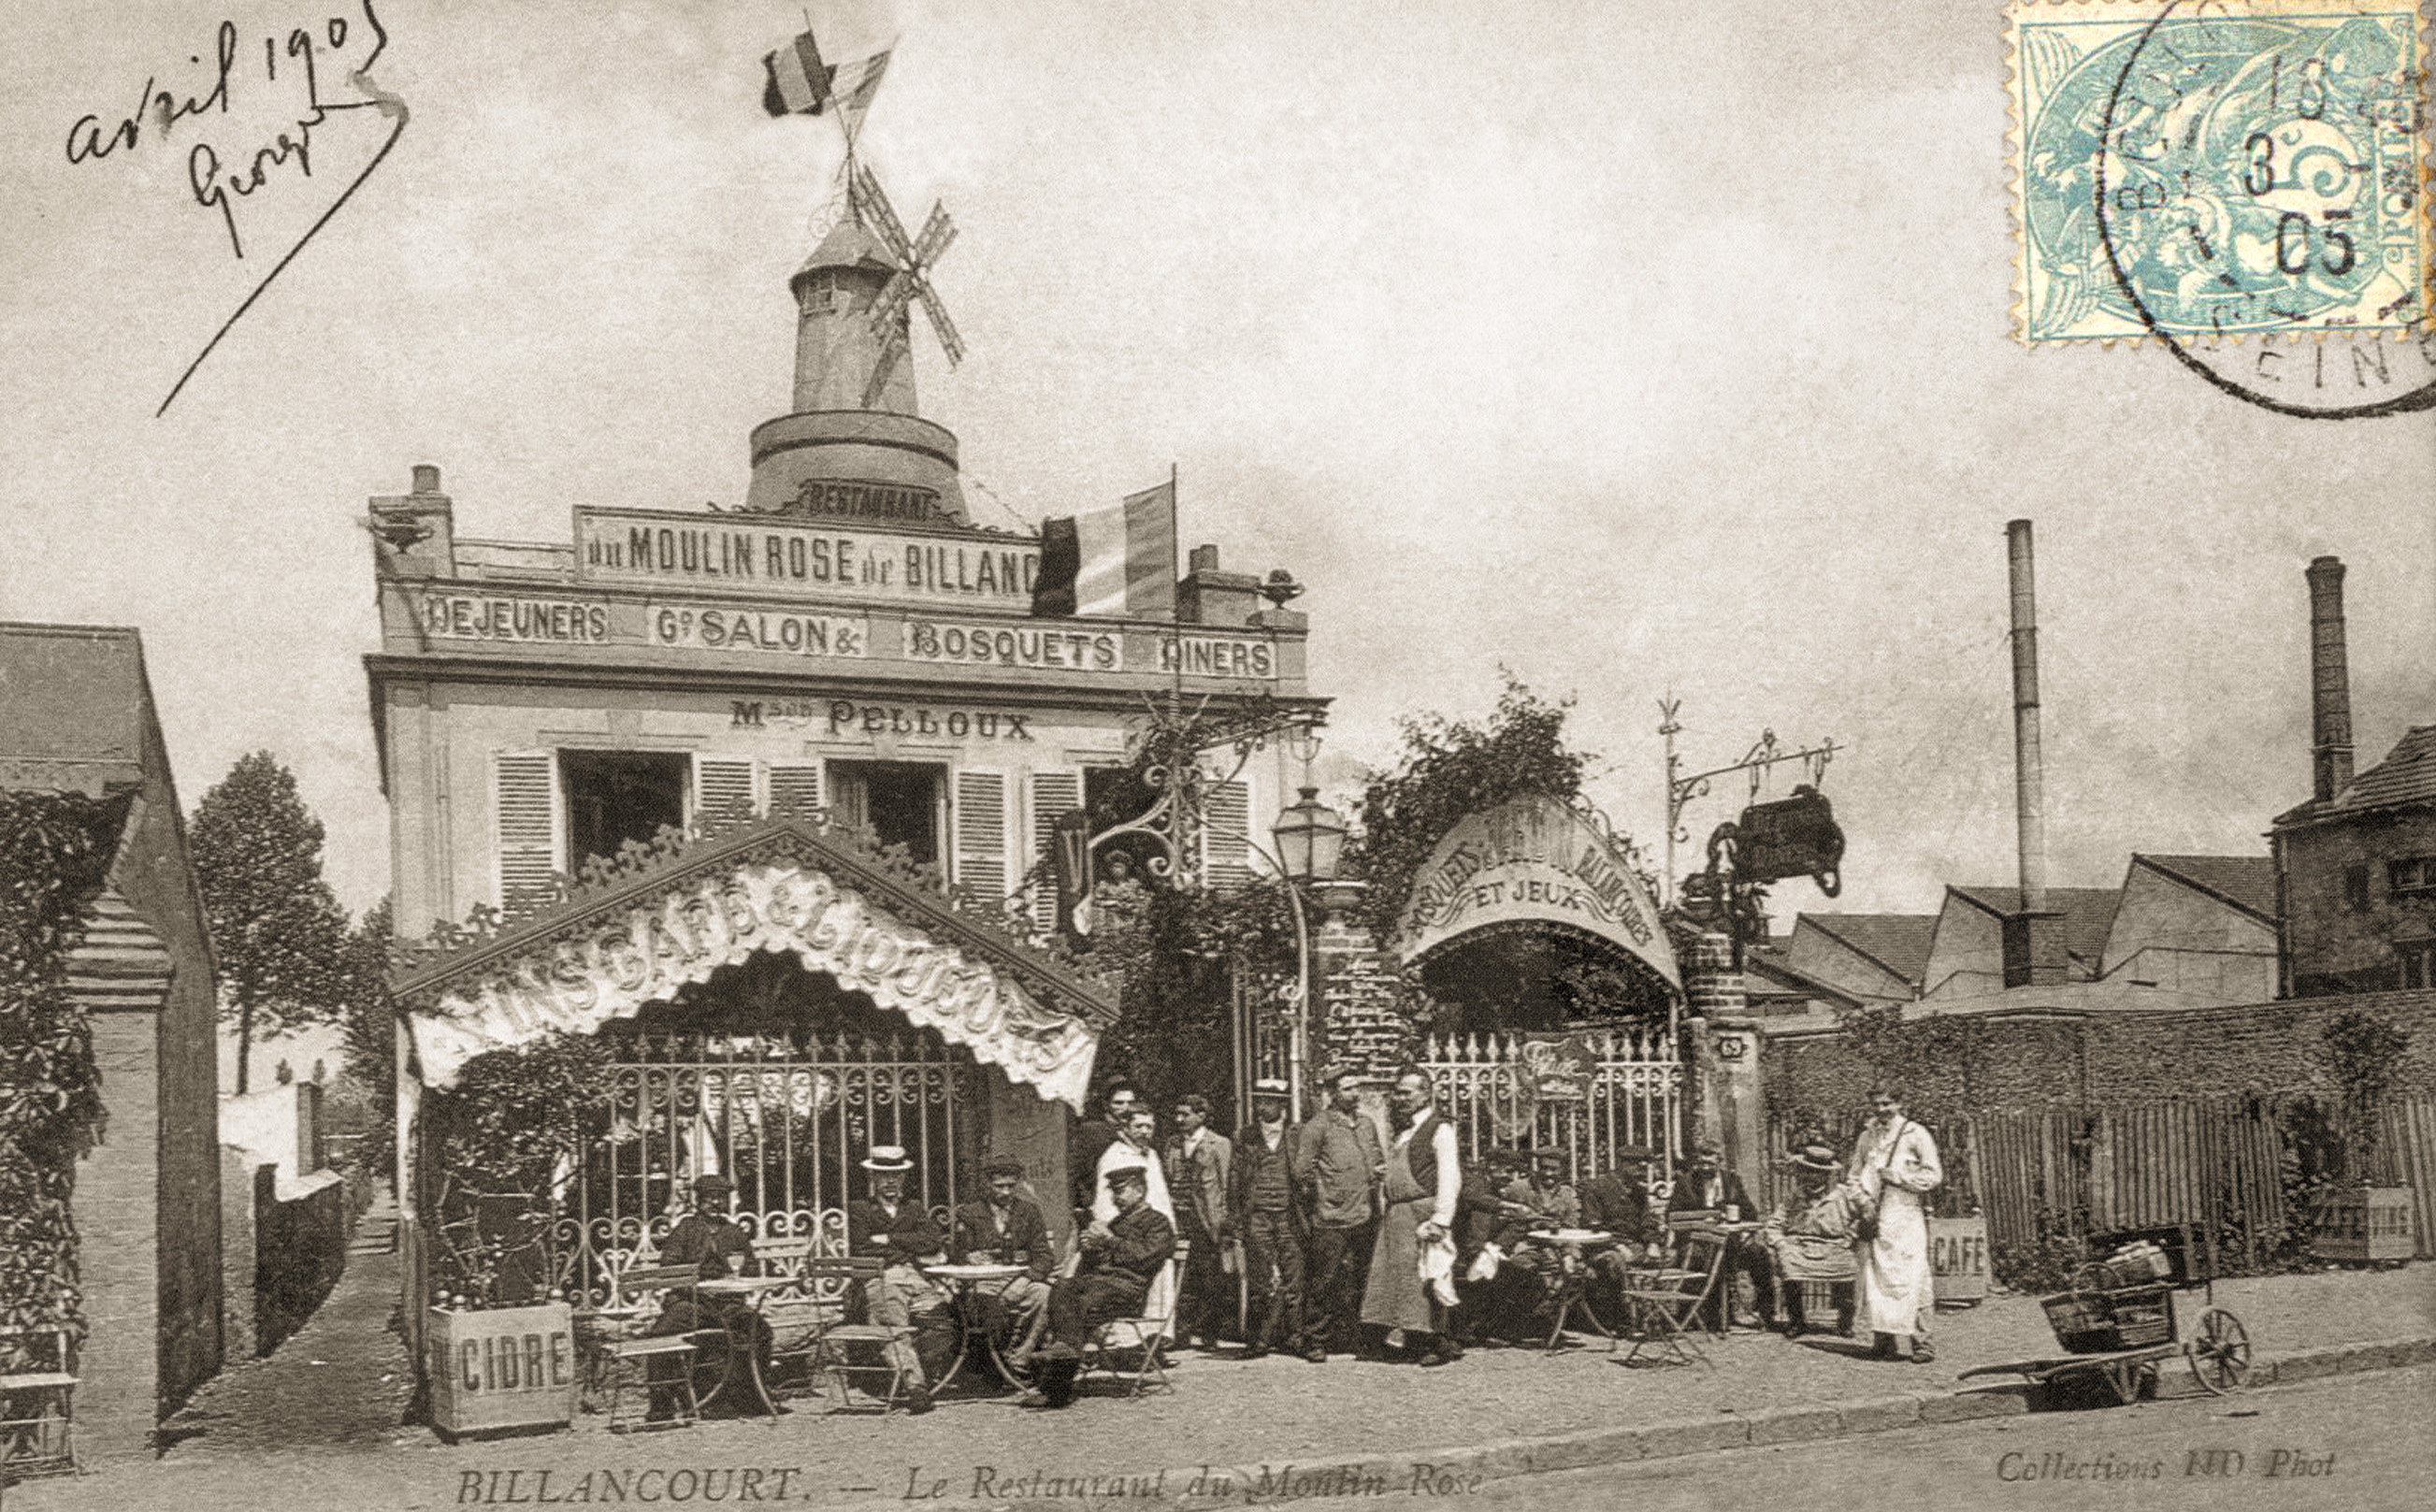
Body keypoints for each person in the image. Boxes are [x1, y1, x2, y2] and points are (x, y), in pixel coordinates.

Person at [1022, 1164, 1177, 1408]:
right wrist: (1090, 1248)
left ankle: (1056, 1384)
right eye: (1113, 1192)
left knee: (1077, 1305)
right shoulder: (1117, 1222)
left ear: (1139, 1191)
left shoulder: (1158, 1223)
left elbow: (1144, 1258)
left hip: (1128, 1291)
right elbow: (1100, 1262)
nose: (1115, 1198)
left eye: (1121, 1191)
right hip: (1100, 1285)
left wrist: (1109, 1240)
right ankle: (1061, 1357)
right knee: (1061, 1288)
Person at [644, 1173, 772, 1418]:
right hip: (691, 1302)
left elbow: (752, 1267)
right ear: (698, 1200)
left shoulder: (733, 1231)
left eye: (721, 1198)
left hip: (727, 1303)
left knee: (760, 1331)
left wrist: (734, 1276)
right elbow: (669, 1268)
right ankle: (661, 1405)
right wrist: (696, 1280)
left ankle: (751, 1399)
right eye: (710, 1197)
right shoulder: (685, 1229)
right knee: (660, 1334)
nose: (715, 1203)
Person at [1360, 1066, 1463, 1366]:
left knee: (1425, 1277)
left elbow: (1450, 1177)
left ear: (1426, 1094)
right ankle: (1406, 1338)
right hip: (1397, 1216)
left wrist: (1441, 1220)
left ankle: (1433, 1343)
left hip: (1421, 1216)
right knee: (1397, 1280)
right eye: (1398, 1093)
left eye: (1407, 1093)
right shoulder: (1406, 1132)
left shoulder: (1440, 1130)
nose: (1400, 1098)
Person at [845, 1145, 955, 1413]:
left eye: (895, 1176)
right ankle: (915, 1387)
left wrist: (889, 1239)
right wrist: (909, 1246)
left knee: (942, 1319)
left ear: (903, 1178)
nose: (890, 1182)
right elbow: (862, 1248)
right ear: (873, 1178)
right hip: (879, 1276)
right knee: (892, 1324)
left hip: (914, 1276)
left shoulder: (913, 1208)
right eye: (883, 1176)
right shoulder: (860, 1209)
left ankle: (918, 1370)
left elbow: (932, 1242)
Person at [1293, 1064, 1383, 1357]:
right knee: (1325, 1281)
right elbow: (1301, 1171)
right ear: (1332, 1093)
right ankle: (1316, 1341)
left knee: (1364, 1279)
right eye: (1347, 1088)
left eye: (1357, 1087)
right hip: (1331, 1218)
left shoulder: (1366, 1124)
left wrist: (1376, 1172)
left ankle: (1363, 1341)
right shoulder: (1318, 1126)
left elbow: (1376, 1157)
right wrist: (1325, 1193)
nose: (1355, 1094)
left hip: (1365, 1214)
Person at [1849, 1088, 1944, 1363]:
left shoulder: (1915, 1134)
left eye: (1887, 1104)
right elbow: (1854, 1176)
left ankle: (1923, 1344)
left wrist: (1900, 1177)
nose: (1881, 1110)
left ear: (1899, 1104)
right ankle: (1884, 1342)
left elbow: (1933, 1175)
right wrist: (1864, 1202)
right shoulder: (1867, 1137)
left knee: (1915, 1276)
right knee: (1879, 1278)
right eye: (1876, 1104)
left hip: (1905, 1215)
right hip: (1877, 1216)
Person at [1231, 1079, 1316, 1361]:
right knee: (1260, 1279)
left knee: (1294, 1278)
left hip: (1290, 1217)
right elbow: (1235, 1180)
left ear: (1281, 1105)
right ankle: (1259, 1339)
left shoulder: (1297, 1134)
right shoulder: (1245, 1136)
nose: (1261, 1107)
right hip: (1257, 1217)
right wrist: (1236, 1219)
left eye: (1268, 1101)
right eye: (1259, 1101)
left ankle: (1296, 1338)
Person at [951, 1156, 1055, 1370]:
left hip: (1020, 1280)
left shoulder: (1029, 1212)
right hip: (982, 1283)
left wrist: (1026, 1279)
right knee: (986, 1305)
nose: (1006, 1192)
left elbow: (1044, 1256)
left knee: (1044, 1294)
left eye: (1011, 1186)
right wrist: (968, 1257)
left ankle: (1020, 1358)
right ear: (988, 1184)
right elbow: (955, 1253)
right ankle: (994, 1364)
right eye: (999, 1186)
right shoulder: (970, 1213)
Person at [1667, 1139, 1770, 1330]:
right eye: (1702, 1163)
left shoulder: (1731, 1181)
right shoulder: (1686, 1182)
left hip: (1730, 1242)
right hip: (1695, 1242)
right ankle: (1712, 1315)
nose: (1705, 1168)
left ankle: (1766, 1314)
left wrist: (1732, 1217)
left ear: (1719, 1161)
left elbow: (1751, 1213)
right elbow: (1672, 1215)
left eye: (1710, 1163)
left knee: (1759, 1253)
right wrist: (1703, 1219)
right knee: (1706, 1255)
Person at [1761, 1139, 1859, 1337]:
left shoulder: (1842, 1195)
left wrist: (1850, 1237)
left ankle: (1845, 1322)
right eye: (1807, 1171)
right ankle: (1797, 1321)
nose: (1811, 1176)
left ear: (1827, 1174)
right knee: (1788, 1262)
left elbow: (1860, 1219)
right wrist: (1780, 1243)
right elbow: (1774, 1224)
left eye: (1817, 1172)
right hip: (1800, 1246)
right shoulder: (1793, 1196)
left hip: (1834, 1246)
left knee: (1847, 1267)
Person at [1091, 1107, 1176, 1326]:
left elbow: (1161, 1196)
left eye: (1149, 1127)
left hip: (1155, 1235)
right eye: (1139, 1126)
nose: (1145, 1131)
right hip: (1130, 1239)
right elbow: (1106, 1203)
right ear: (1125, 1128)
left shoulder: (1151, 1155)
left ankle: (1154, 1338)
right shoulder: (1114, 1156)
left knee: (1160, 1296)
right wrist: (1113, 1234)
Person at [1161, 1093, 1233, 1349]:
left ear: (1201, 1116)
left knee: (1210, 1277)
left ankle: (1209, 1333)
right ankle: (1180, 1332)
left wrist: (1224, 1221)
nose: (1179, 1119)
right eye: (1177, 1114)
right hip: (1180, 1218)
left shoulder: (1219, 1143)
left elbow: (1225, 1184)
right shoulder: (1173, 1144)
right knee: (1181, 1277)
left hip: (1207, 1220)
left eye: (1186, 1114)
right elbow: (1168, 1178)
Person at [1069, 1083, 1141, 1212]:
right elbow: (1076, 1171)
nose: (1126, 1108)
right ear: (1106, 1105)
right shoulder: (1093, 1131)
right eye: (1119, 1103)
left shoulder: (1138, 1131)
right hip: (1100, 1203)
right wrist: (1085, 1205)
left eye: (1131, 1103)